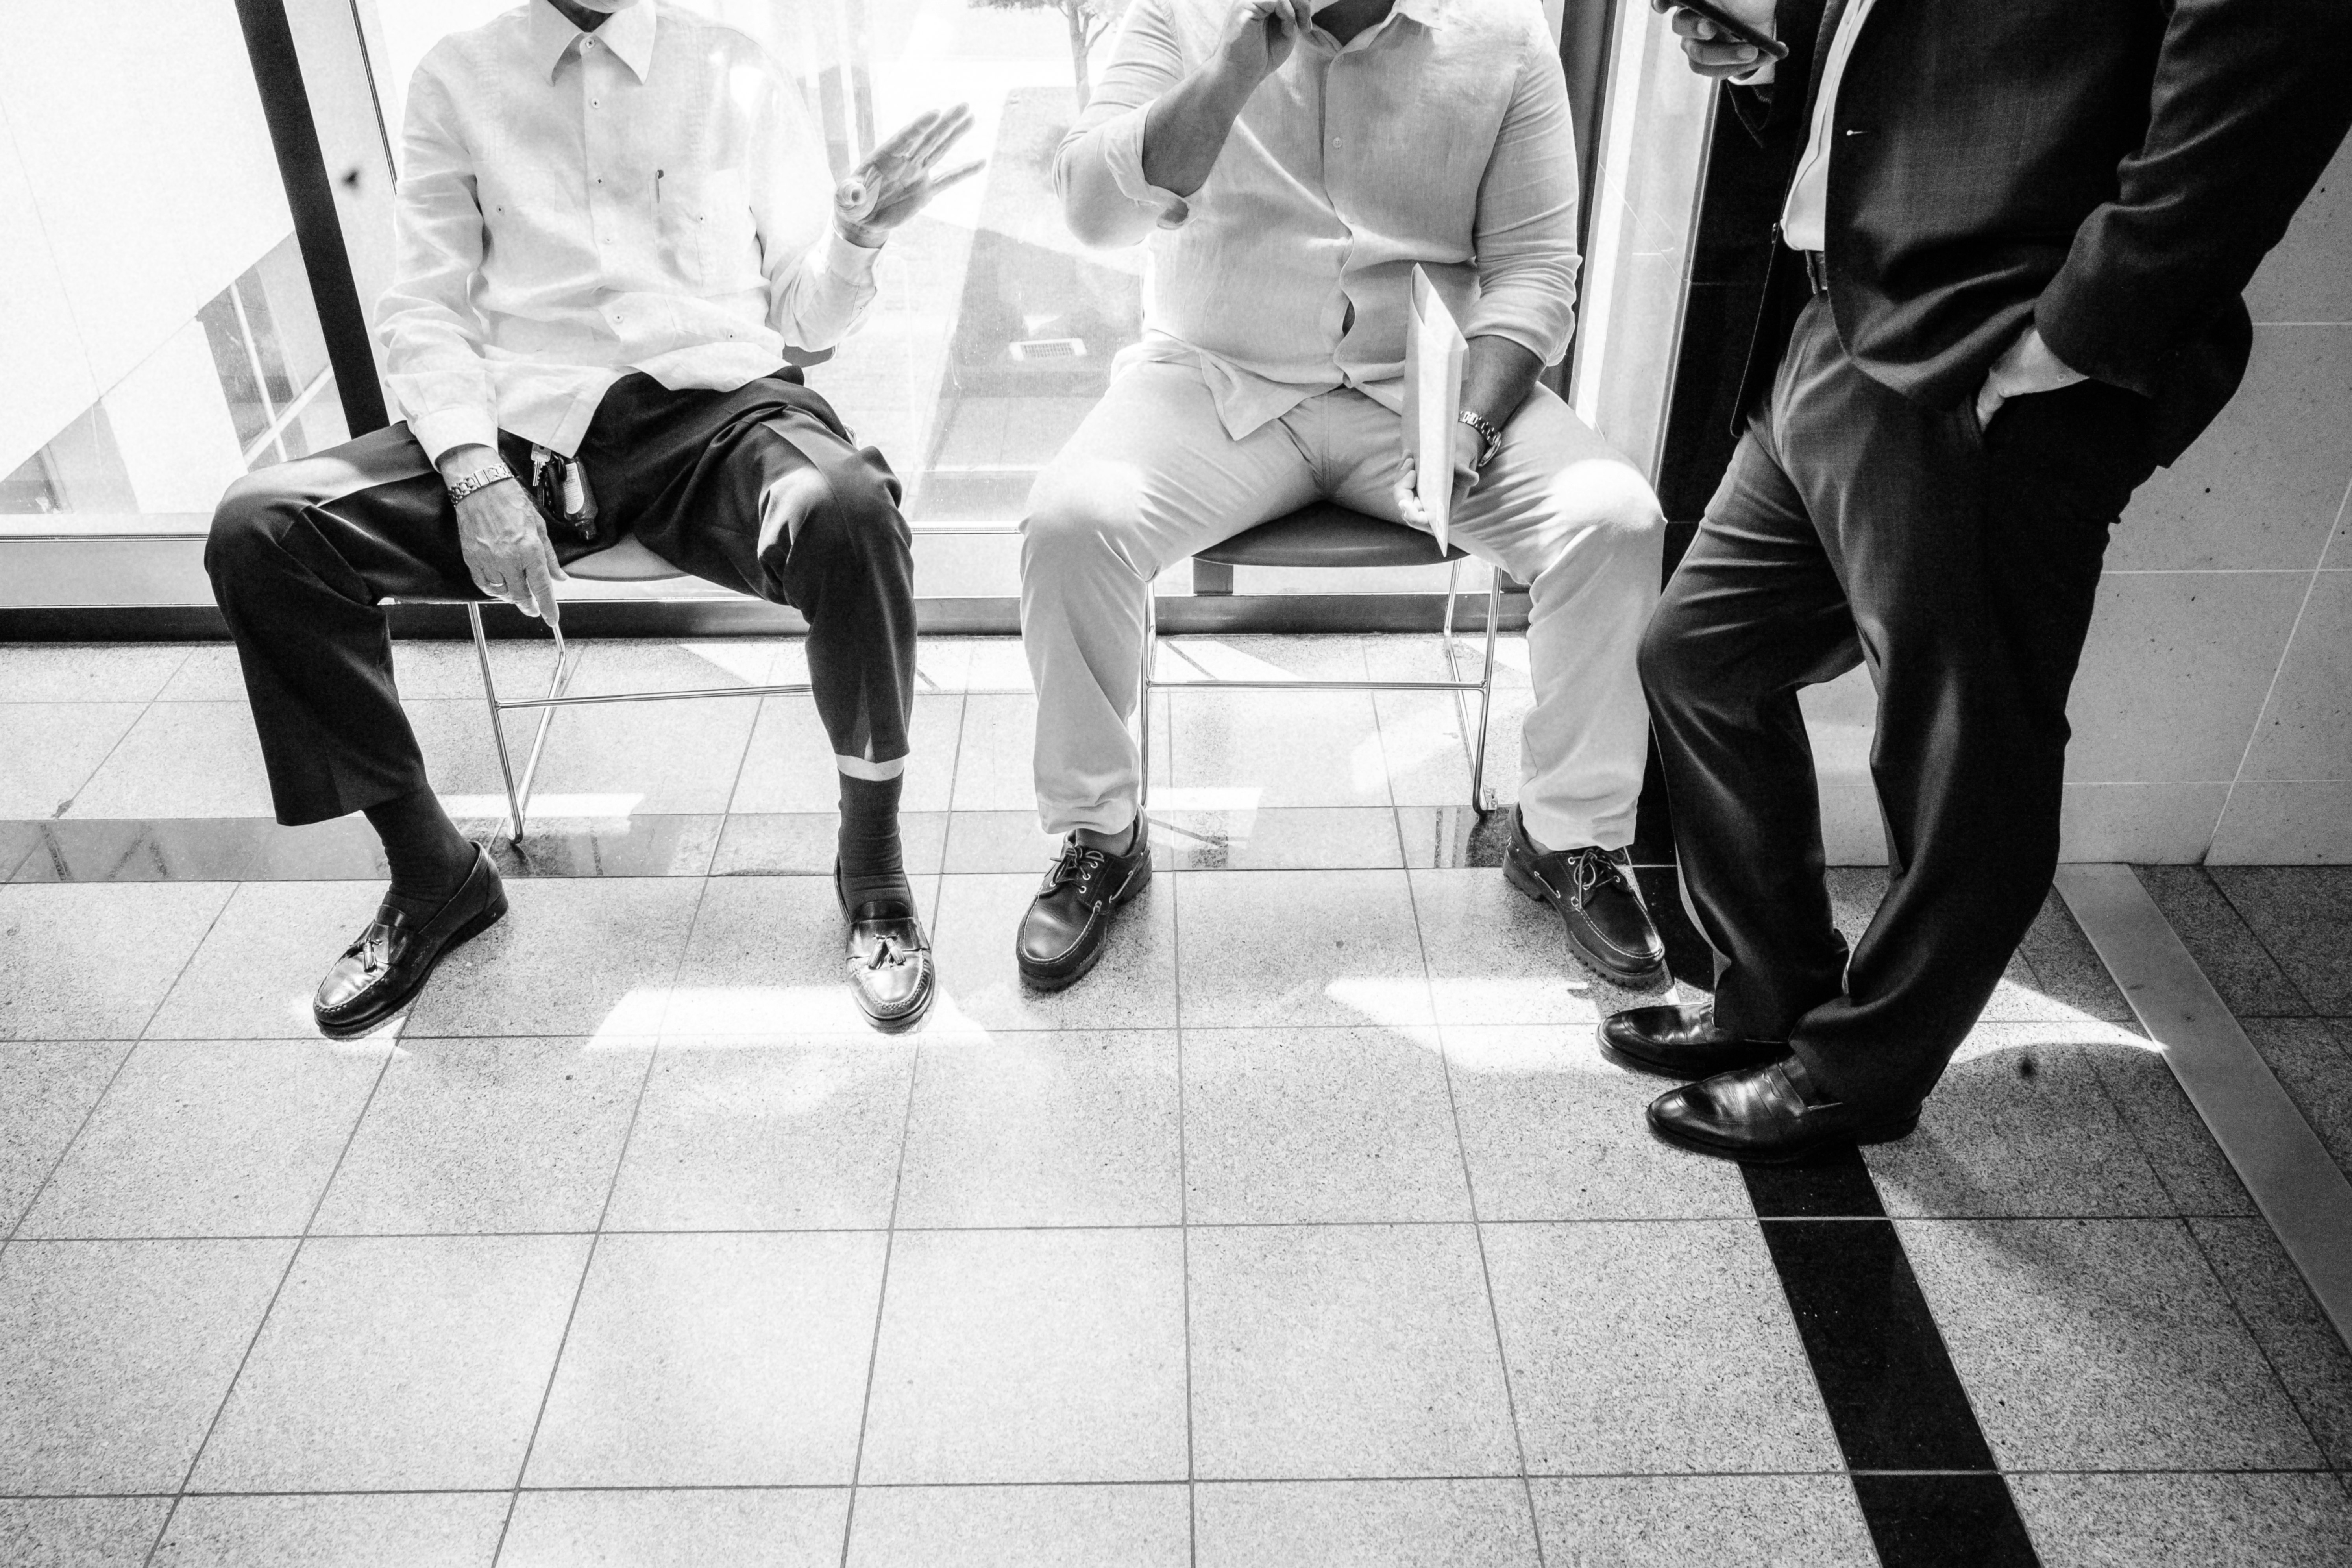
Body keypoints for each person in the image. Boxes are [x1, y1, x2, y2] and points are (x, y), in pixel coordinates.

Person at [1614, 0, 2352, 1160]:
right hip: (1838, 316)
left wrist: (2057, 347)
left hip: (1987, 355)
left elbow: (2261, 102)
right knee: (1699, 658)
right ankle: (1775, 1000)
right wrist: (1779, 49)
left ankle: (1860, 1073)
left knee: (1968, 757)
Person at [205, 0, 978, 1035]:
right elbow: (426, 304)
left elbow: (804, 317)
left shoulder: (735, 67)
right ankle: (431, 871)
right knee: (262, 526)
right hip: (521, 434)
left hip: (717, 418)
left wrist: (853, 241)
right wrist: (475, 473)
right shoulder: (457, 76)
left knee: (849, 510)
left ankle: (873, 868)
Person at [1017, 0, 1670, 991]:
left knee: (1614, 522)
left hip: (1424, 394)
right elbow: (1091, 212)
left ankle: (1568, 838)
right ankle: (1101, 836)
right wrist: (1235, 67)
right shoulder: (1182, 14)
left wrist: (1469, 428)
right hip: (1216, 376)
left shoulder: (1504, 30)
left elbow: (1535, 272)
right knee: (1072, 523)